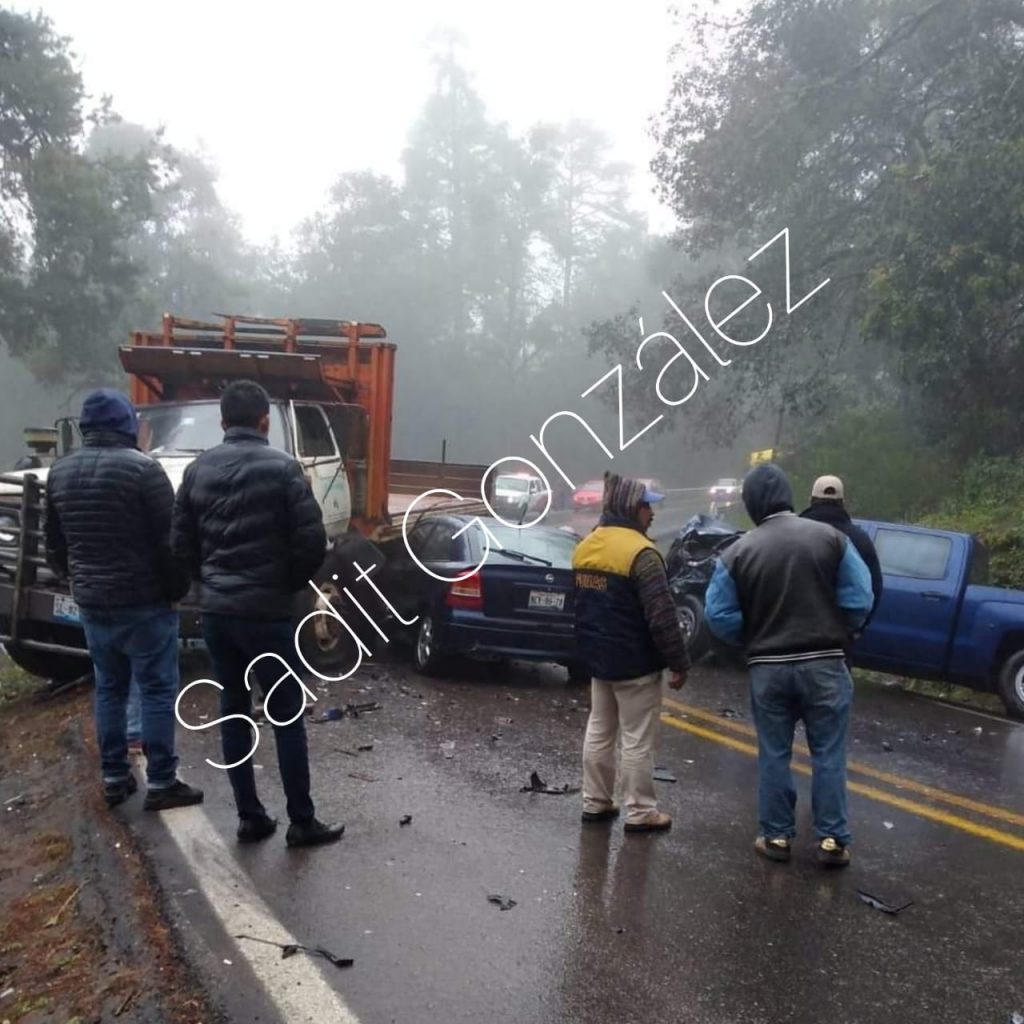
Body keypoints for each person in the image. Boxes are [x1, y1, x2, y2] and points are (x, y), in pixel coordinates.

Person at [171, 380, 343, 848]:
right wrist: (282, 587)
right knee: (285, 714)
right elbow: (312, 544)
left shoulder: (197, 470)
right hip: (268, 614)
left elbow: (179, 544)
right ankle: (301, 822)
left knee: (233, 710)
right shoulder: (284, 469)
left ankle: (250, 817)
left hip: (219, 613)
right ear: (265, 421)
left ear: (223, 422)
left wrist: (209, 583)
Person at [704, 463, 873, 867]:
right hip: (826, 664)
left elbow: (718, 616)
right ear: (787, 495)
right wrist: (840, 630)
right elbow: (860, 599)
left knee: (775, 753)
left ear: (750, 504)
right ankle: (833, 840)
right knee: (828, 753)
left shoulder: (737, 552)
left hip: (769, 667)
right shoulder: (830, 538)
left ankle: (776, 837)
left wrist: (752, 637)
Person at [44, 389, 202, 811]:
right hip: (145, 602)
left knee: (109, 688)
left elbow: (54, 544)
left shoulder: (60, 472)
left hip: (94, 603)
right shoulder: (143, 471)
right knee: (155, 689)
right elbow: (170, 544)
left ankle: (114, 777)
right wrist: (175, 591)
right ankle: (162, 781)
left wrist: (75, 579)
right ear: (127, 424)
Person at [572, 472, 690, 834]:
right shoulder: (643, 554)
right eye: (645, 506)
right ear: (630, 507)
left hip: (598, 660)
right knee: (637, 739)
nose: (651, 513)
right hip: (636, 664)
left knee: (599, 730)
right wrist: (678, 661)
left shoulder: (586, 547)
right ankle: (640, 811)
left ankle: (595, 801)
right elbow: (662, 616)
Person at [800, 475, 883, 628]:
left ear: (810, 500)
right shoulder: (860, 540)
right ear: (843, 503)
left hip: (790, 631)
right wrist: (856, 630)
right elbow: (873, 589)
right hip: (836, 637)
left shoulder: (791, 535)